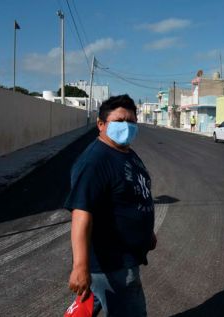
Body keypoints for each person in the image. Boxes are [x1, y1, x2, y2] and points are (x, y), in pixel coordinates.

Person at [65, 94, 156, 317]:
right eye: (120, 121)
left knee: (91, 302)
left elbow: (134, 195)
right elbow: (81, 214)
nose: (127, 126)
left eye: (132, 121)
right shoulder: (94, 161)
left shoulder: (126, 152)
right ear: (101, 124)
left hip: (126, 255)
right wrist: (80, 266)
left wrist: (147, 233)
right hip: (112, 262)